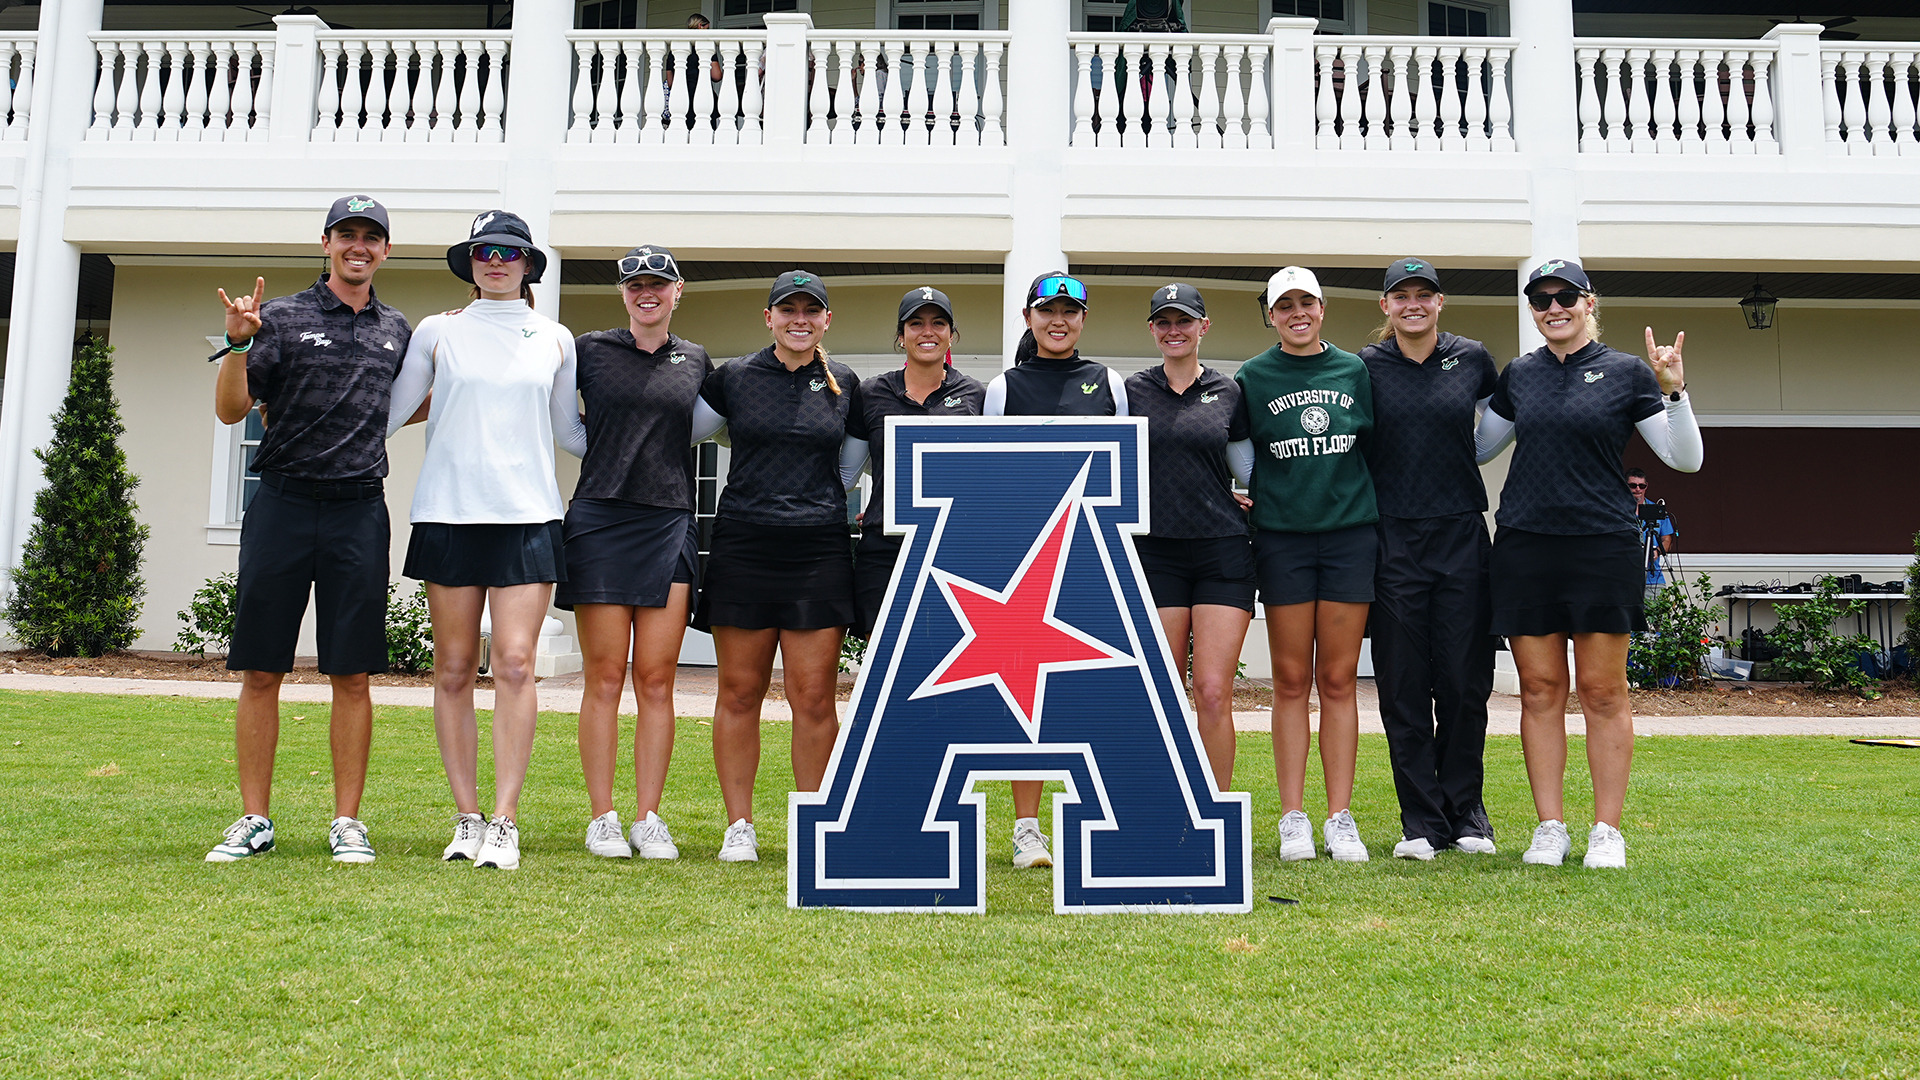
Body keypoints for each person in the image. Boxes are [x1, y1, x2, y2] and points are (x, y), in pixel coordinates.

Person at [206, 195, 415, 865]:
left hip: (358, 510)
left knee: (352, 673)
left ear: (386, 249)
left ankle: (347, 822)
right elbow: (232, 410)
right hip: (284, 505)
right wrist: (239, 344)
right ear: (325, 242)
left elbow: (413, 402)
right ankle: (254, 818)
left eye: (371, 237)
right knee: (261, 668)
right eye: (347, 234)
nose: (359, 246)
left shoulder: (396, 328)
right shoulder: (284, 319)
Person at [1475, 258, 1703, 870]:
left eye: (1565, 297)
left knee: (1602, 691)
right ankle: (1550, 827)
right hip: (1525, 542)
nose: (1554, 308)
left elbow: (1684, 459)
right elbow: (1476, 448)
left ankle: (1607, 829)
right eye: (1541, 299)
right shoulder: (1518, 376)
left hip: (1601, 544)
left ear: (1589, 302)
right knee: (1540, 689)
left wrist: (1673, 389)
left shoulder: (1630, 372)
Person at [386, 210, 588, 871]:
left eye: (509, 251)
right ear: (469, 262)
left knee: (515, 664)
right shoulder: (437, 333)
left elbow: (571, 435)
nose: (495, 260)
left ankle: (504, 820)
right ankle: (466, 817)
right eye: (483, 251)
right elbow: (388, 413)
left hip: (528, 515)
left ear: (528, 264)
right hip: (447, 513)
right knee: (450, 671)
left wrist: (659, 439)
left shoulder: (555, 337)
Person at [559, 246, 723, 861]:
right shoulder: (589, 350)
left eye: (658, 283)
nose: (646, 293)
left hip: (670, 521)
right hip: (600, 518)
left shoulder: (698, 360)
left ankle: (648, 817)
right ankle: (602, 816)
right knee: (604, 677)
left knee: (657, 680)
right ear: (623, 293)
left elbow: (701, 428)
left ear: (677, 291)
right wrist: (611, 460)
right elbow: (567, 428)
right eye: (635, 285)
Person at [694, 270, 863, 863]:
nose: (799, 319)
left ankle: (813, 822)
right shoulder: (733, 377)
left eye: (810, 311)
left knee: (813, 696)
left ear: (825, 320)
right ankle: (739, 825)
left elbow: (849, 469)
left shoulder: (843, 382)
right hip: (743, 544)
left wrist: (810, 505)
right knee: (739, 692)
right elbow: (687, 431)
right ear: (768, 318)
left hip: (817, 549)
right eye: (787, 310)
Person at [984, 270, 1130, 868]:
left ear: (1083, 319)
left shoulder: (1109, 382)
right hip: (1024, 565)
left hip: (1094, 558)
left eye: (1069, 310)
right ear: (1028, 319)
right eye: (1047, 311)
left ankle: (1112, 815)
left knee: (1096, 695)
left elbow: (1126, 471)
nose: (1058, 320)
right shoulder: (1003, 388)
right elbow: (989, 478)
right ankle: (1027, 827)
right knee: (1028, 700)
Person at [1357, 258, 1500, 862]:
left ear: (1440, 302)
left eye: (1424, 294)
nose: (1413, 304)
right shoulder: (1363, 367)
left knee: (1465, 682)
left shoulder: (1473, 358)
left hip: (1462, 532)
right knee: (1404, 684)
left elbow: (1501, 427)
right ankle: (1421, 821)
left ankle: (1466, 813)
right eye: (1401, 296)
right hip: (1392, 538)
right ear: (1385, 306)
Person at [1234, 266, 1377, 864]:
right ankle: (1293, 816)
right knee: (1291, 682)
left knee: (1339, 681)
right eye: (1284, 304)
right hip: (1284, 540)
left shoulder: (1354, 370)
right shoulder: (1252, 376)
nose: (1297, 312)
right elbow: (1241, 453)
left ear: (1322, 309)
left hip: (1349, 537)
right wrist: (1259, 494)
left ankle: (1339, 817)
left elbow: (1370, 446)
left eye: (1307, 302)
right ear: (1269, 314)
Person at [1121, 283, 1254, 791]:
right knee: (1162, 690)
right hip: (1155, 553)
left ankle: (1216, 810)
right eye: (1164, 322)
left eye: (1184, 320)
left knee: (1214, 690)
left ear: (1204, 326)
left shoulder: (1229, 391)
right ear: (1153, 330)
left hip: (1222, 549)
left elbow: (1248, 466)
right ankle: (1164, 805)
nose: (1174, 330)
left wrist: (1251, 495)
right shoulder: (1130, 390)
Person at [844, 287, 986, 641]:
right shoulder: (871, 392)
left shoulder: (976, 395)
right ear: (901, 335)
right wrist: (880, 506)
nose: (928, 332)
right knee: (883, 660)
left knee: (950, 655)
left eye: (938, 323)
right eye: (916, 323)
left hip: (956, 548)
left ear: (951, 335)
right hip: (886, 548)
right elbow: (849, 469)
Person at [1628, 467, 1677, 590]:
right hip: (1625, 579)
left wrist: (1658, 551)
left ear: (1646, 486)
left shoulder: (1655, 510)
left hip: (1652, 579)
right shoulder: (1619, 511)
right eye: (1633, 485)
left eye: (1641, 486)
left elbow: (1667, 538)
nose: (1637, 489)